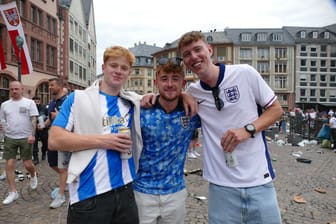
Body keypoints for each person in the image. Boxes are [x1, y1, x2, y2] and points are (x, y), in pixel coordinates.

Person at [178, 31, 283, 224]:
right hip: (221, 188)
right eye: (186, 54)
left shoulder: (245, 73)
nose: (193, 56)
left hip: (259, 181)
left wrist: (247, 130)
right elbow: (168, 99)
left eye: (197, 49)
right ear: (184, 62)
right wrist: (180, 95)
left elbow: (276, 110)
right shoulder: (193, 92)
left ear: (210, 50)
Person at [48, 46, 143, 224]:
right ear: (103, 68)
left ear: (129, 73)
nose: (118, 71)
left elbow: (166, 97)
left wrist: (186, 97)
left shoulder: (132, 101)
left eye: (124, 68)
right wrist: (104, 141)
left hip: (126, 193)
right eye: (113, 65)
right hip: (88, 196)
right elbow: (54, 139)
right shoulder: (78, 98)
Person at [133, 57, 201, 224]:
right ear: (156, 83)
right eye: (164, 79)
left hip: (175, 193)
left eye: (175, 79)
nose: (170, 84)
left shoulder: (192, 112)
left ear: (183, 83)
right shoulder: (141, 110)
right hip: (142, 192)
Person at [0, 81, 39, 205]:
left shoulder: (29, 103)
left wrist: (32, 135)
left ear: (22, 89)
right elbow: (2, 119)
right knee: (9, 164)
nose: (14, 91)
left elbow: (34, 119)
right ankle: (13, 192)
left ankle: (33, 175)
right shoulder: (5, 105)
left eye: (16, 89)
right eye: (12, 89)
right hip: (10, 137)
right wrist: (4, 132)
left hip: (26, 137)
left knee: (27, 164)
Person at [47, 78, 70, 209]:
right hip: (52, 138)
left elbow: (75, 117)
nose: (50, 87)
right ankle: (68, 179)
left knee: (62, 168)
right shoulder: (52, 102)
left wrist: (59, 115)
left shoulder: (68, 101)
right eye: (49, 85)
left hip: (63, 138)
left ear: (60, 86)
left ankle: (61, 195)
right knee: (52, 163)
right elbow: (51, 119)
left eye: (52, 85)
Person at [32, 96, 49, 165]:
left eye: (37, 100)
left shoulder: (44, 108)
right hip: (34, 129)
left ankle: (44, 153)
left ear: (40, 101)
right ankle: (36, 158)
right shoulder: (31, 108)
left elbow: (48, 117)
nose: (36, 102)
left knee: (45, 143)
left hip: (43, 129)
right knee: (34, 144)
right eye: (35, 101)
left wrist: (44, 125)